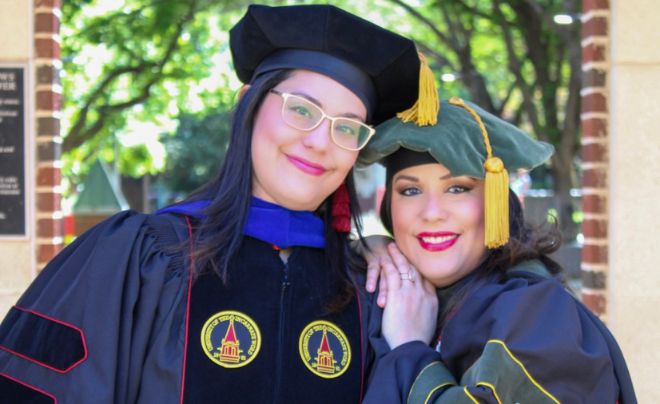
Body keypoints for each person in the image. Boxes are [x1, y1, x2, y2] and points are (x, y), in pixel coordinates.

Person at [0, 4, 435, 403]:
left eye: (347, 127)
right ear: (248, 103)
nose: (321, 142)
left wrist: (409, 350)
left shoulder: (372, 289)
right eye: (302, 110)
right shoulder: (137, 258)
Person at [358, 97, 637, 403]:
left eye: (457, 188)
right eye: (410, 191)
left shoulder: (540, 315)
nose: (432, 212)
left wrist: (409, 349)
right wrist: (363, 246)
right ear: (389, 207)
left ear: (496, 205)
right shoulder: (381, 294)